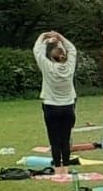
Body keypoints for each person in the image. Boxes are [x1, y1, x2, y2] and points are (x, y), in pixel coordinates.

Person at [33, 30, 78, 174]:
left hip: (51, 107)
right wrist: (59, 37)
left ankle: (58, 169)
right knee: (65, 139)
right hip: (68, 107)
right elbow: (72, 49)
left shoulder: (48, 67)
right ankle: (66, 167)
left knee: (54, 139)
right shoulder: (70, 67)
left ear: (52, 58)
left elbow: (37, 51)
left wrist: (43, 37)